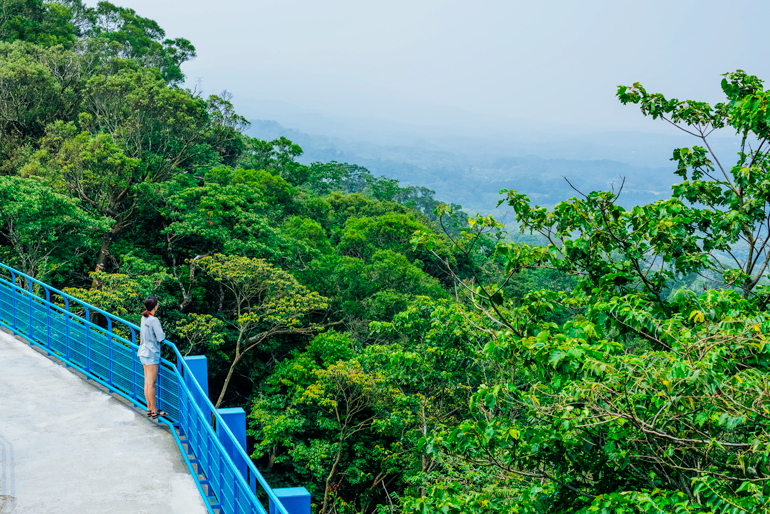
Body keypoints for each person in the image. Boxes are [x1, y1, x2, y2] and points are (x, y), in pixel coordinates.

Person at [137, 296, 168, 420]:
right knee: (151, 384)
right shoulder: (154, 320)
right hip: (151, 354)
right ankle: (154, 410)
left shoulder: (143, 317)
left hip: (143, 352)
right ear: (155, 306)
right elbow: (161, 338)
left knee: (147, 383)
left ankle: (149, 408)